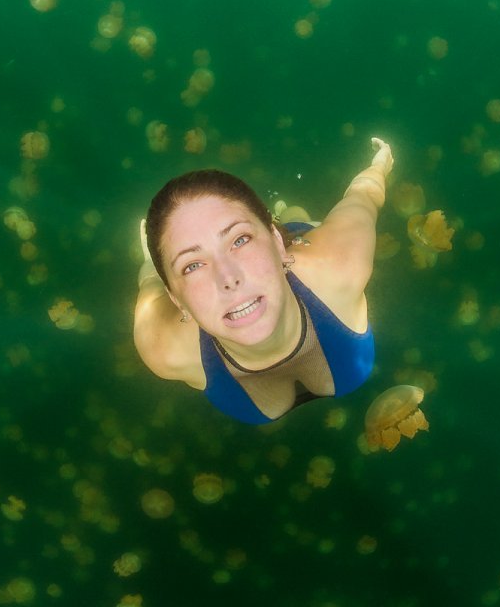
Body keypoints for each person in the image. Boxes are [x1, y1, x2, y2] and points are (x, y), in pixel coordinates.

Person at [133, 137, 394, 424]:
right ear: (176, 299)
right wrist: (149, 264)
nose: (228, 278)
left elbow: (362, 197)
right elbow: (150, 285)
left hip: (300, 243)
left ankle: (287, 216)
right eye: (192, 265)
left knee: (296, 218)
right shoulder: (164, 349)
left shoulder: (338, 265)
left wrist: (380, 166)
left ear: (277, 244)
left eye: (239, 240)